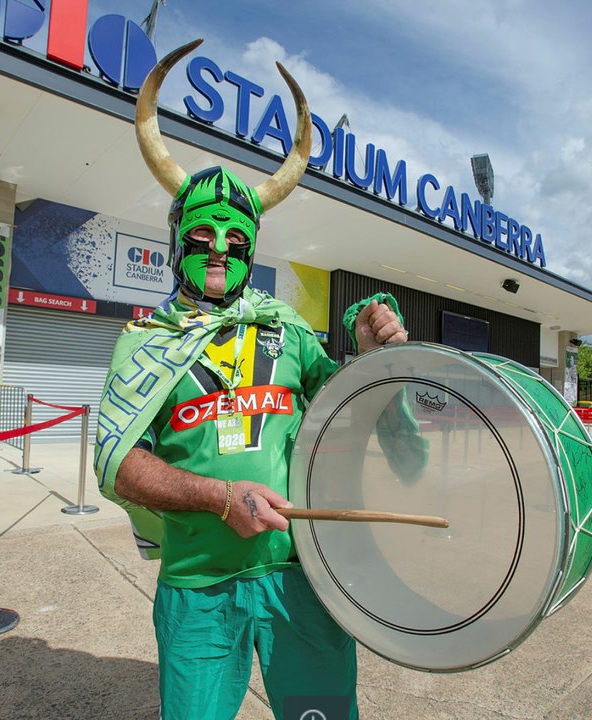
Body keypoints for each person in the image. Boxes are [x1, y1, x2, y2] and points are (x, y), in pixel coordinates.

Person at [94, 39, 407, 720]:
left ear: (251, 249)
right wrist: (215, 496)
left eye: (236, 241)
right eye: (203, 236)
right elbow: (118, 465)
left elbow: (347, 412)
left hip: (302, 579)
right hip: (198, 588)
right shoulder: (144, 342)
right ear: (178, 239)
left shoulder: (290, 329)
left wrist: (367, 353)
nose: (218, 250)